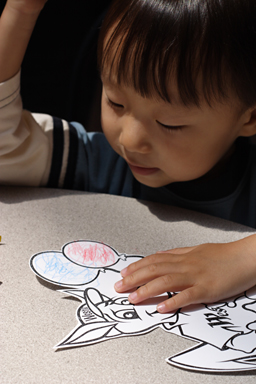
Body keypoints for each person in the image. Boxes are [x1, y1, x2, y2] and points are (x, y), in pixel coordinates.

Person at [0, 0, 256, 314]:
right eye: (116, 103)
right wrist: (19, 12)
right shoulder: (97, 163)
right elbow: (5, 146)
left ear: (249, 118)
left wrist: (243, 258)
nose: (130, 140)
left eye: (168, 124)